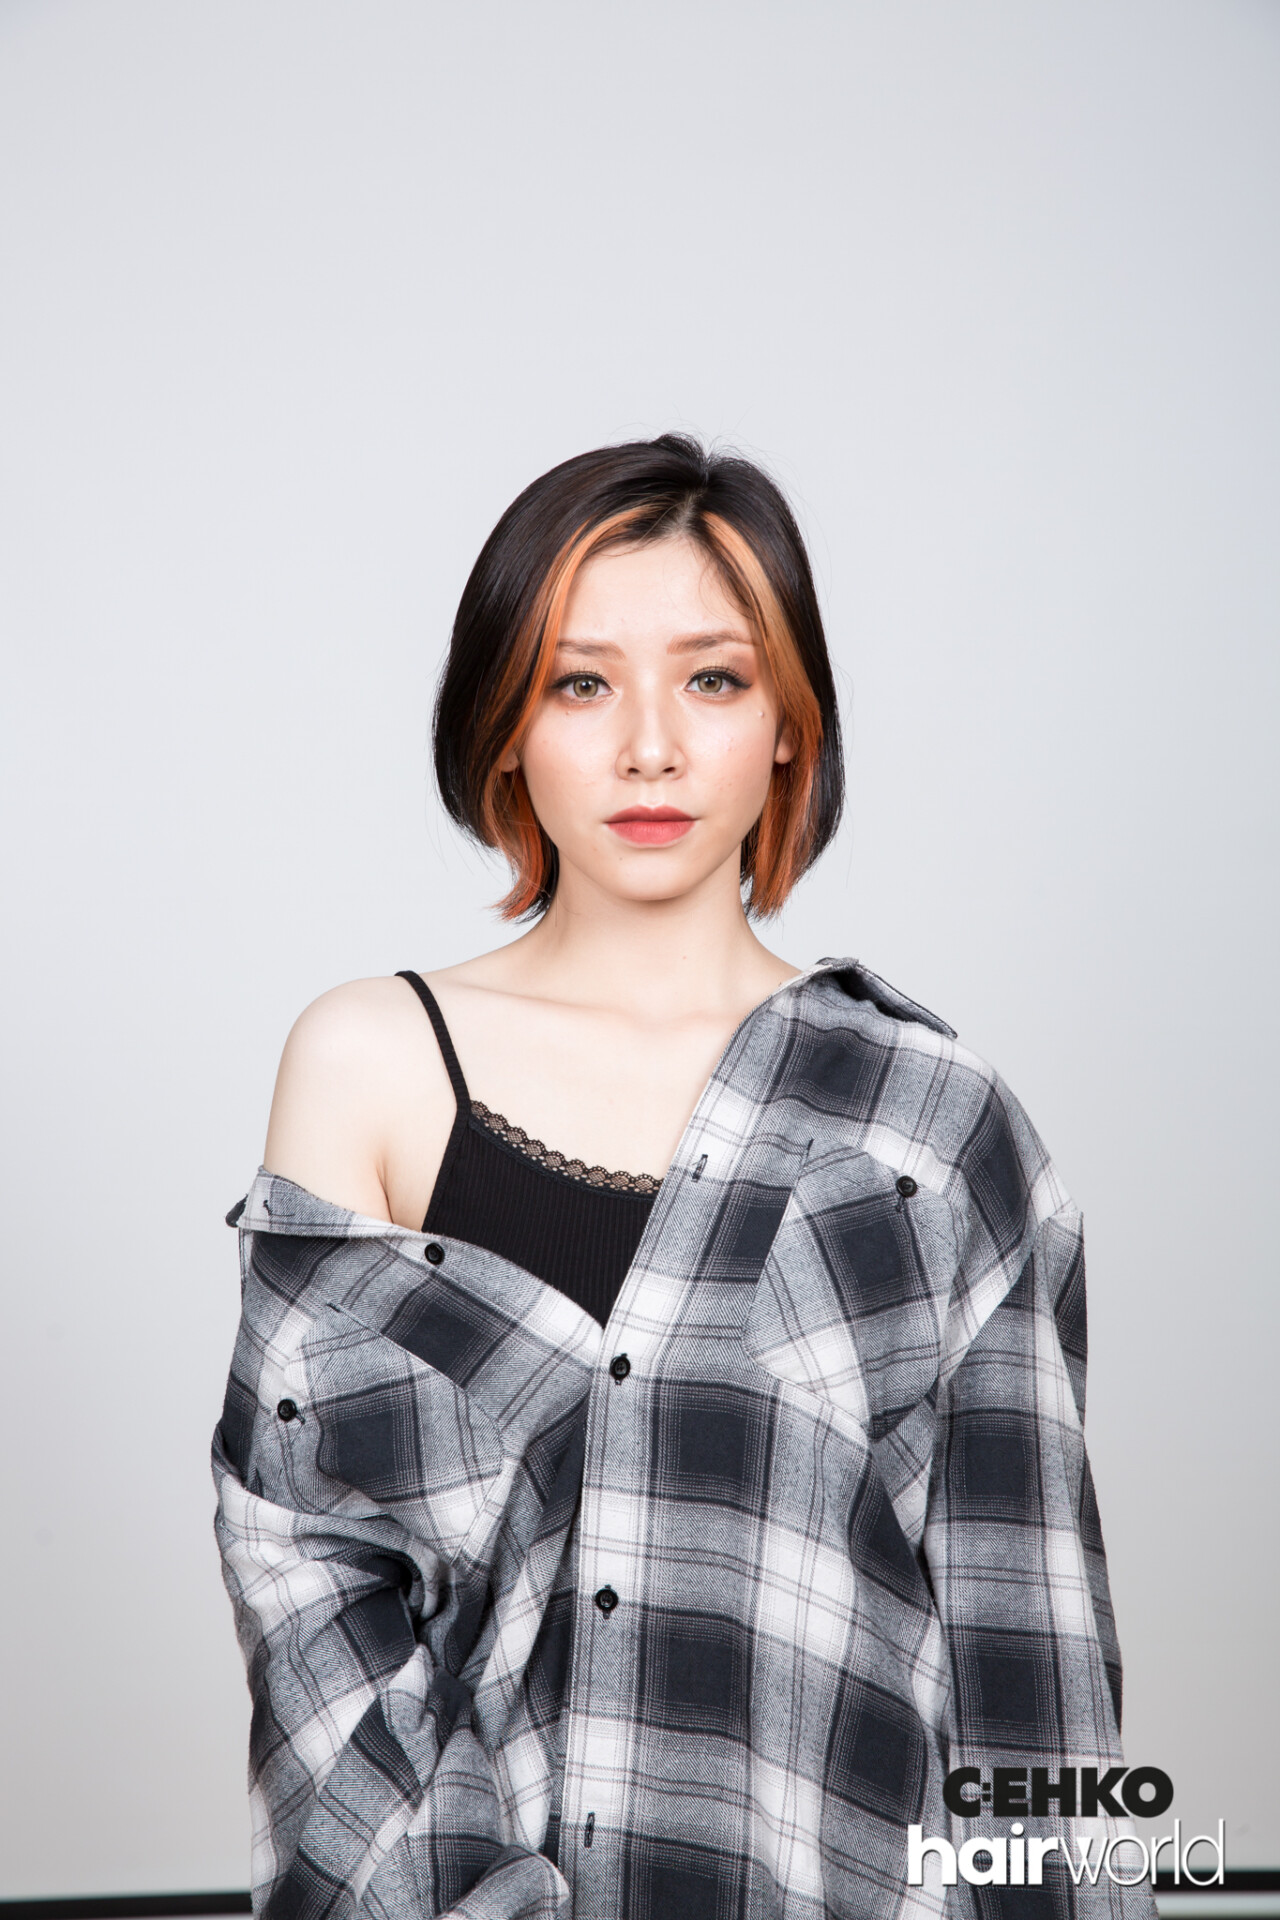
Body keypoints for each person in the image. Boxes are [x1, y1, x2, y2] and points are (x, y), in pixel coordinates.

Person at [212, 435, 1152, 1920]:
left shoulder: (933, 1121)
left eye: (712, 679)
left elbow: (1030, 1645)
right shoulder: (369, 1062)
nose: (649, 745)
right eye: (580, 684)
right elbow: (307, 1570)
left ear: (788, 725)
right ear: (503, 728)